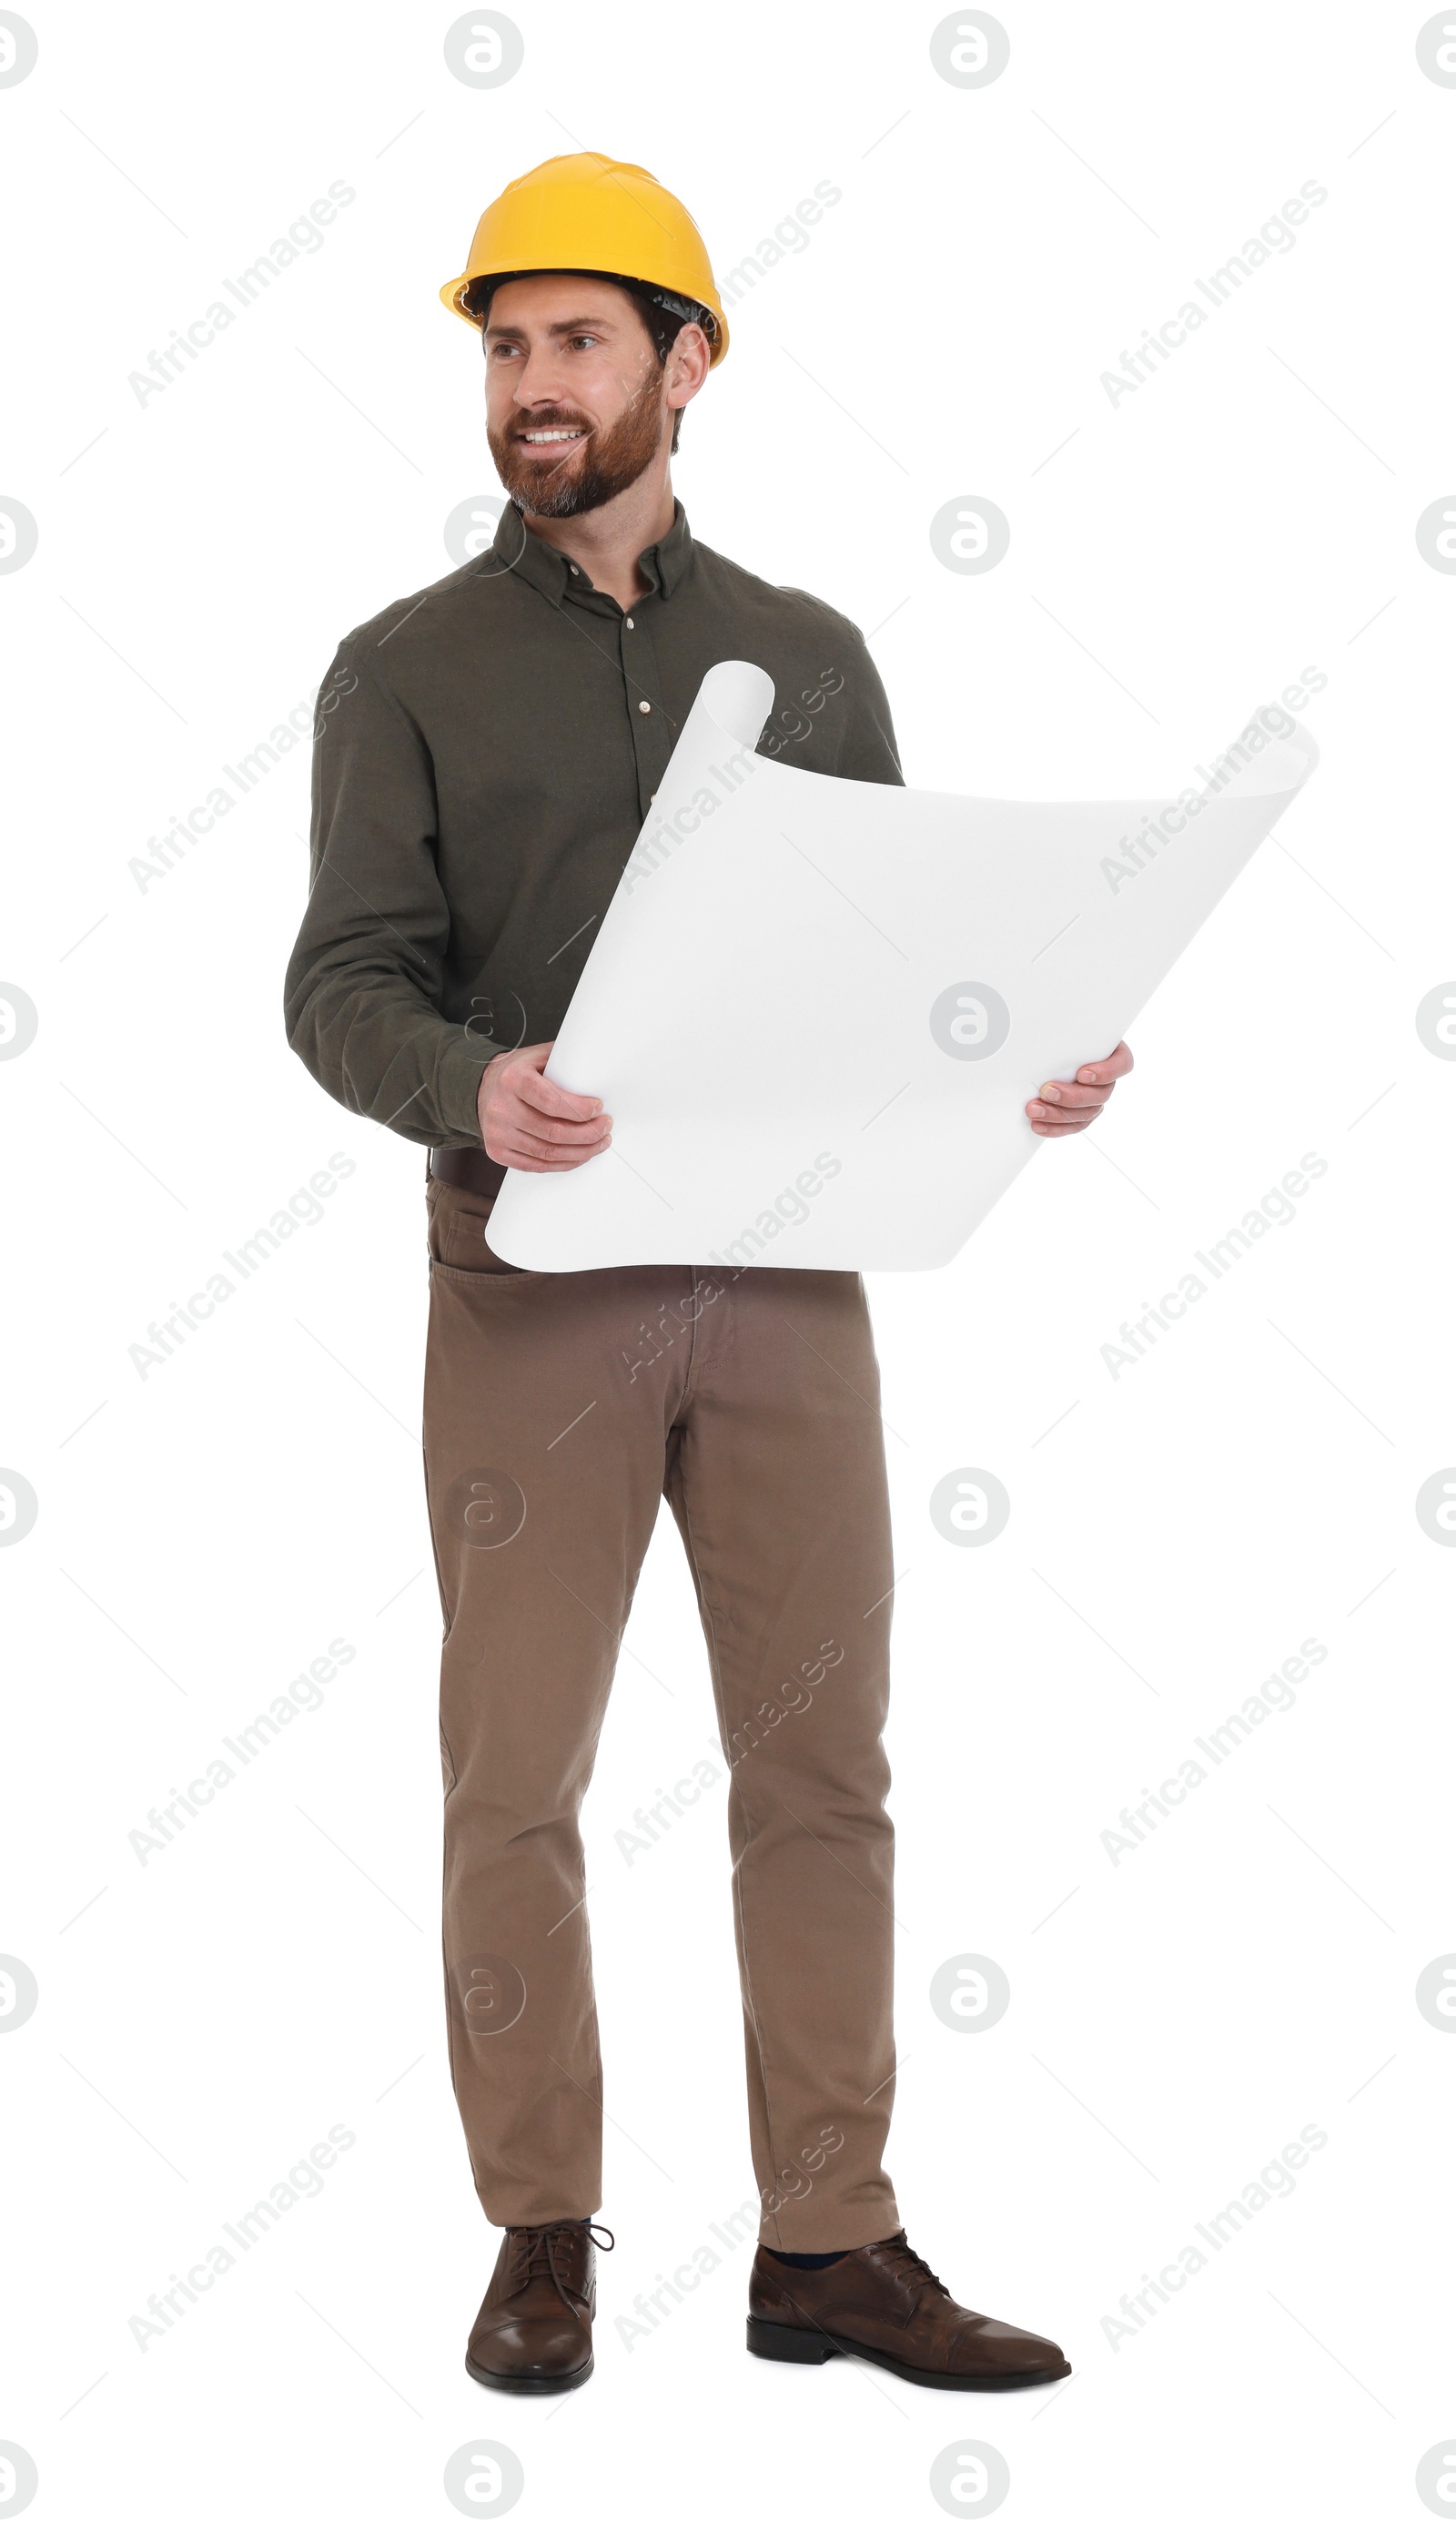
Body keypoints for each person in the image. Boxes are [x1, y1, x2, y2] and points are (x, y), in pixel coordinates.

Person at [284, 150, 1131, 2397]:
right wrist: (474, 1086)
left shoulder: (812, 657)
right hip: (531, 1284)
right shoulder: (402, 671)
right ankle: (542, 2226)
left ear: (685, 360)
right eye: (502, 345)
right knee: (514, 1777)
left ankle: (829, 2246)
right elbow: (338, 983)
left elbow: (894, 981)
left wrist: (1012, 1064)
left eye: (575, 340)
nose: (532, 386)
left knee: (820, 1770)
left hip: (777, 1285)